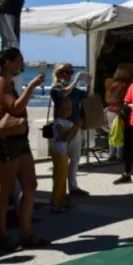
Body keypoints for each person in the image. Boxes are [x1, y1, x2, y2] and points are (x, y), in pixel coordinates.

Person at [0, 48, 47, 252]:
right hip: (6, 142)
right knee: (3, 192)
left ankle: (26, 233)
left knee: (30, 185)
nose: (22, 64)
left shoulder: (8, 82)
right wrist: (31, 86)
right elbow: (15, 107)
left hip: (19, 139)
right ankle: (1, 237)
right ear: (7, 63)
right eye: (19, 61)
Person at [50, 64, 90, 197]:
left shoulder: (74, 89)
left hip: (75, 124)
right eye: (66, 72)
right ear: (59, 73)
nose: (69, 75)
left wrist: (89, 84)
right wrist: (77, 80)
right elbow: (63, 93)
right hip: (62, 125)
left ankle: (73, 187)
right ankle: (59, 191)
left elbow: (87, 96)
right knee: (62, 159)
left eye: (71, 72)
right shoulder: (56, 88)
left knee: (75, 158)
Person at [50, 98, 76, 213]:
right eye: (67, 109)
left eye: (70, 109)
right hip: (58, 151)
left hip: (64, 152)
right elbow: (65, 137)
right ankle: (55, 202)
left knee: (62, 178)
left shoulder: (67, 122)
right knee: (59, 179)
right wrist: (75, 127)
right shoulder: (58, 122)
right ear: (60, 109)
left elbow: (71, 136)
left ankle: (62, 199)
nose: (69, 111)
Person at [105, 67, 131, 161]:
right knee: (120, 134)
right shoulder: (125, 85)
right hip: (119, 112)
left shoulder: (111, 84)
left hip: (110, 111)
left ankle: (111, 154)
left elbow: (107, 98)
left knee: (112, 133)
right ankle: (119, 155)